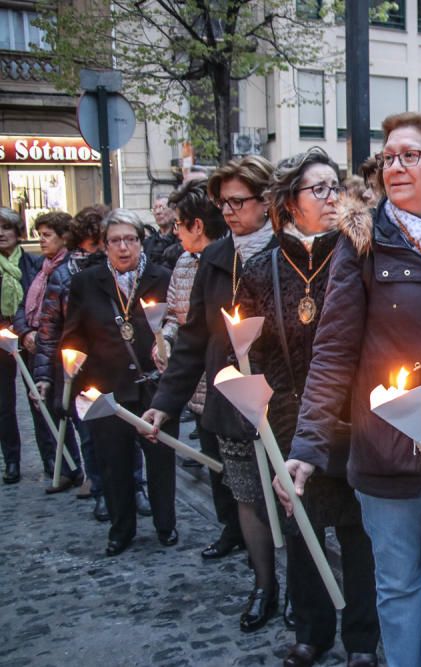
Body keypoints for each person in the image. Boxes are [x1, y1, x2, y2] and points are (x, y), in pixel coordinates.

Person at [277, 112, 421, 667]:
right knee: (399, 586)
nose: (394, 166)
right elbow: (333, 350)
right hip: (387, 448)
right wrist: (307, 445)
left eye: (410, 155)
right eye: (388, 157)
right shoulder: (362, 242)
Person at [240, 147, 380, 667]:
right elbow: (255, 349)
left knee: (359, 533)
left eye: (334, 187)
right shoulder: (261, 267)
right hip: (289, 420)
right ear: (288, 202)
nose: (329, 198)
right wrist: (276, 410)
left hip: (355, 420)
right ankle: (312, 631)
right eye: (316, 189)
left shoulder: (359, 253)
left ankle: (362, 640)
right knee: (302, 530)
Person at [143, 156, 277, 630]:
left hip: (283, 402)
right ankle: (264, 584)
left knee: (294, 500)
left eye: (238, 201)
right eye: (224, 203)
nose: (230, 211)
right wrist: (164, 403)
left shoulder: (290, 251)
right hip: (229, 400)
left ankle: (307, 589)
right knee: (245, 494)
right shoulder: (215, 259)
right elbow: (195, 339)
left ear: (266, 201)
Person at [61, 209, 177, 556]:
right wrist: (73, 358)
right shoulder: (87, 281)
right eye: (115, 241)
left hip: (152, 386)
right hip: (107, 388)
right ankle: (121, 528)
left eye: (130, 239)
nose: (123, 247)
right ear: (105, 245)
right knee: (114, 464)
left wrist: (168, 341)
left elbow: (175, 323)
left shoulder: (162, 276)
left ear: (141, 242)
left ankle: (165, 524)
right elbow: (74, 334)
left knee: (160, 461)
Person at [33, 204, 117, 516]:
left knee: (127, 437)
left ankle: (133, 489)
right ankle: (100, 491)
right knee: (91, 436)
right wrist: (44, 374)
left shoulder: (118, 270)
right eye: (93, 244)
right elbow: (49, 327)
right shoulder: (66, 275)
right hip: (82, 371)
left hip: (117, 367)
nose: (98, 251)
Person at [153, 180, 228, 470]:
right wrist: (166, 340)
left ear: (197, 225)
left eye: (179, 224)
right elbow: (175, 315)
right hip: (197, 392)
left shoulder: (232, 262)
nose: (175, 231)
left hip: (228, 391)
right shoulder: (183, 263)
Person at [16, 211, 84, 492]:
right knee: (49, 410)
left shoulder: (69, 269)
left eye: (47, 235)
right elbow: (25, 305)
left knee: (73, 412)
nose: (41, 241)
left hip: (62, 350)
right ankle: (63, 467)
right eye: (40, 235)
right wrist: (26, 331)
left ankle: (86, 472)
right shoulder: (40, 268)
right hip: (39, 345)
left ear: (63, 237)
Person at [0, 207, 41, 484]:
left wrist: (28, 331)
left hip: (29, 337)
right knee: (4, 404)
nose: (1, 234)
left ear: (17, 233)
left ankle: (53, 458)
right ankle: (11, 460)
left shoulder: (33, 264)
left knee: (38, 397)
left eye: (6, 228)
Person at [144, 195, 181, 270]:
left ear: (173, 211)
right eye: (154, 209)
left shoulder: (183, 239)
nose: (157, 212)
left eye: (162, 208)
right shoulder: (148, 242)